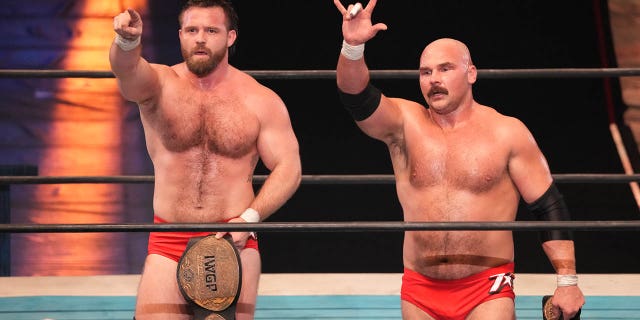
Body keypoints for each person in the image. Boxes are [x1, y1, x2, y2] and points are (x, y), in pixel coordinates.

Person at [333, 1, 585, 319]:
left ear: (471, 73)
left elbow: (548, 205)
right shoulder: (403, 123)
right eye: (425, 72)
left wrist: (567, 281)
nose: (433, 79)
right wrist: (353, 47)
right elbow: (354, 95)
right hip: (420, 287)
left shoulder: (507, 132)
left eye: (445, 69)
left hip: (487, 287)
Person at [110, 1, 302, 319]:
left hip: (231, 240)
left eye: (211, 30)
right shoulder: (158, 84)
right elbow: (126, 69)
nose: (200, 38)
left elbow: (289, 168)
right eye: (192, 30)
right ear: (181, 35)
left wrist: (250, 219)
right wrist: (127, 41)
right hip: (168, 238)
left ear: (230, 37)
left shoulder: (260, 99)